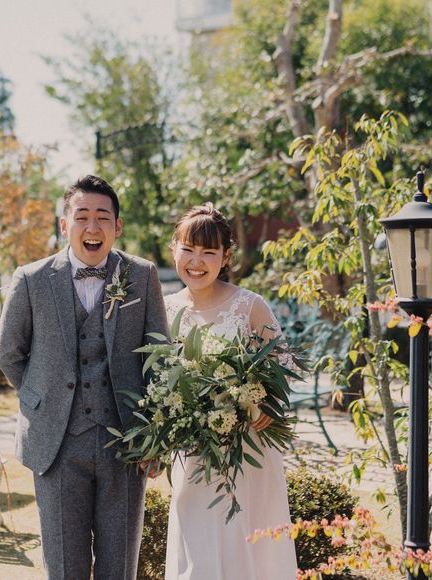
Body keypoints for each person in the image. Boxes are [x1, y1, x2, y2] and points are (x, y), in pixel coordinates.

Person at [0, 175, 169, 580]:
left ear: (117, 226)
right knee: (63, 566)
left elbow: (159, 358)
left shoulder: (142, 275)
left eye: (103, 217)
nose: (93, 227)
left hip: (126, 444)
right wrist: (44, 402)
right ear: (64, 224)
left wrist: (153, 434)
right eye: (82, 216)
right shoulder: (31, 279)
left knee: (119, 566)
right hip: (56, 446)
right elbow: (10, 355)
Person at [163, 204, 297, 580]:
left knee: (248, 546)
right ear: (174, 249)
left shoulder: (249, 305)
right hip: (193, 451)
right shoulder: (164, 308)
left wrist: (266, 400)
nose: (197, 261)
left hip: (248, 449)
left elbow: (284, 363)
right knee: (196, 547)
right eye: (188, 249)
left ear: (225, 257)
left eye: (209, 251)